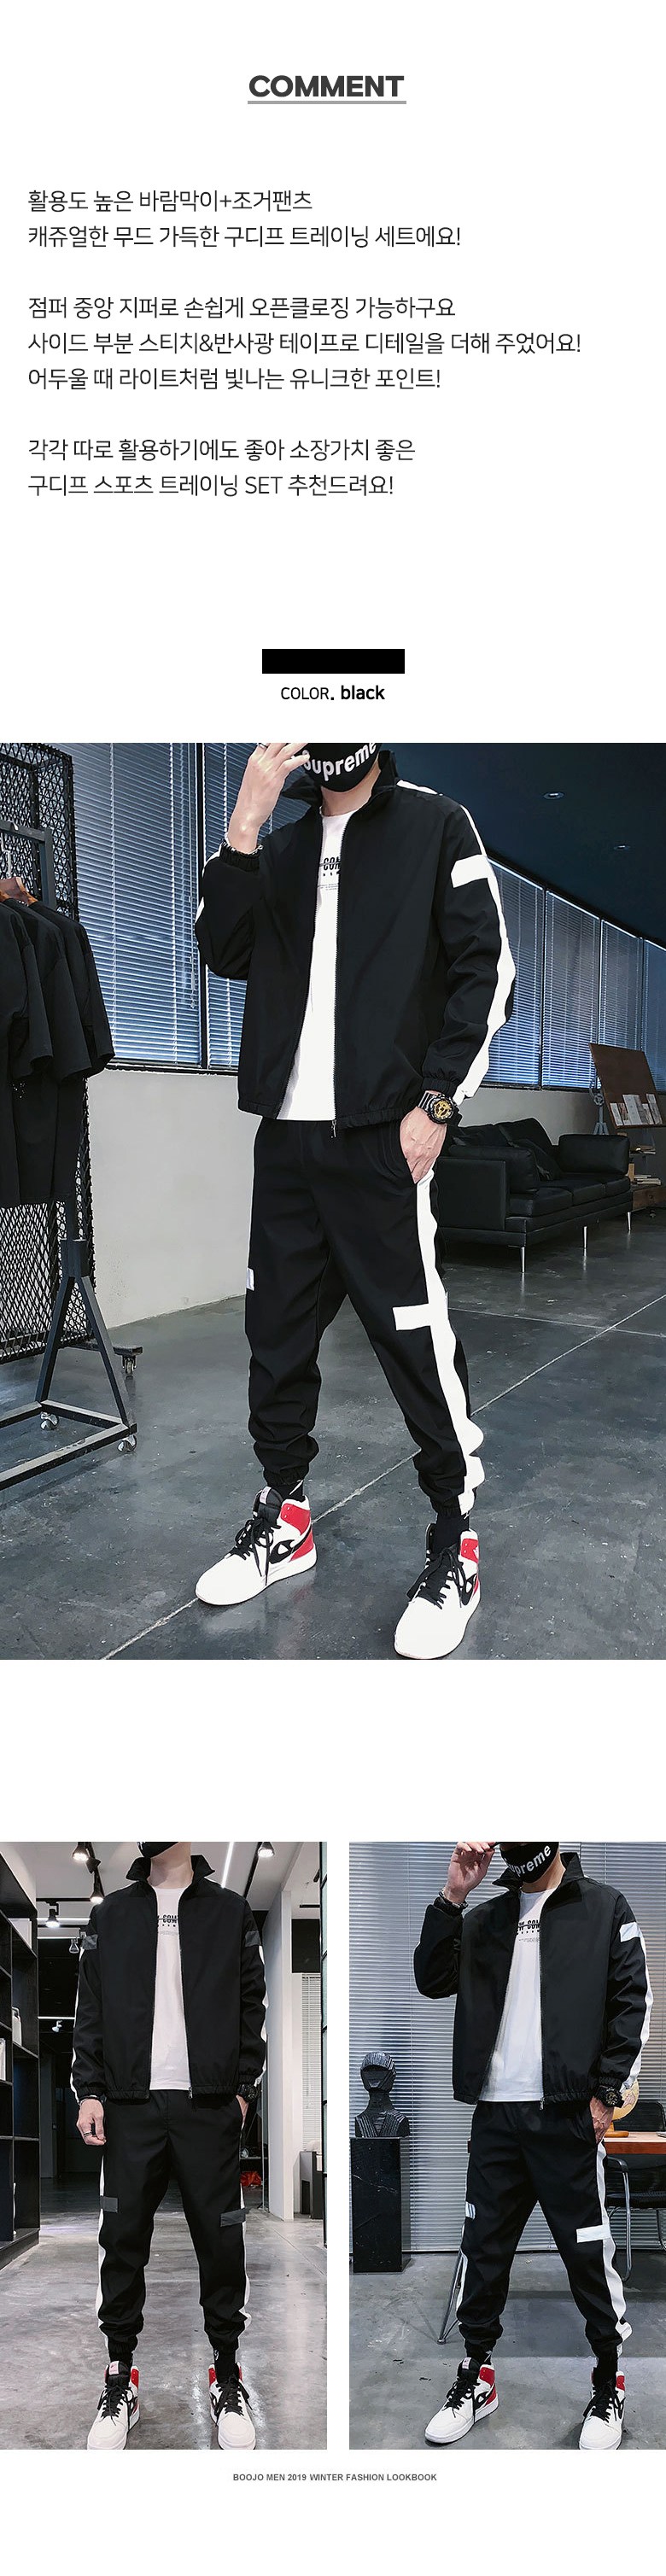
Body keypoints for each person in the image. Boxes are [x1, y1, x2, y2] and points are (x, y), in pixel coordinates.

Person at [195, 742, 515, 1659]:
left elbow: (486, 969)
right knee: (276, 1335)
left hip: (383, 1134)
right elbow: (225, 950)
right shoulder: (279, 847)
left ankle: (456, 1538)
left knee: (412, 1339)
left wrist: (438, 1102)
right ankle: (285, 1515)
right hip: (287, 1139)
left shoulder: (436, 824)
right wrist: (244, 826)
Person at [413, 1840, 652, 2450]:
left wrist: (607, 2093)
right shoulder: (484, 1919)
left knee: (587, 2256)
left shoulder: (604, 1907)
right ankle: (477, 2376)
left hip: (566, 2116)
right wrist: (453, 1896)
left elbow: (633, 2001)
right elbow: (431, 1978)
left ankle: (608, 2382)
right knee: (483, 2252)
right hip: (496, 2116)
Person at [71, 1843, 266, 2451]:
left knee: (221, 2242)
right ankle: (119, 2377)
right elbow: (90, 2009)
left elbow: (252, 2006)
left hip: (209, 2104)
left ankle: (227, 2374)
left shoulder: (230, 1911)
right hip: (129, 2105)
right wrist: (89, 2090)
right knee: (122, 2240)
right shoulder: (111, 1915)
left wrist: (242, 2092)